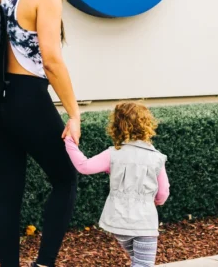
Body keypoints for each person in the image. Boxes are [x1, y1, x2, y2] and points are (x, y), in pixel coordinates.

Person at [0, 0, 82, 267]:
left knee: (9, 193)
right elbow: (51, 61)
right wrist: (74, 114)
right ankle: (44, 264)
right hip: (26, 98)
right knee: (65, 179)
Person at [64, 102, 170, 267]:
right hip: (144, 223)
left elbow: (84, 166)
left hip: (118, 223)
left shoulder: (113, 154)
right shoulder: (156, 158)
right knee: (143, 264)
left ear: (117, 126)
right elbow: (163, 192)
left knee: (138, 261)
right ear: (148, 125)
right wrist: (157, 202)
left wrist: (69, 141)